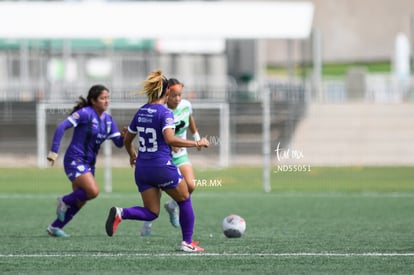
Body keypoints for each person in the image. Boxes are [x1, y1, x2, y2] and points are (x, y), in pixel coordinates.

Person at [105, 69, 209, 252]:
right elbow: (170, 139)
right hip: (161, 166)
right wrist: (196, 142)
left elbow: (127, 139)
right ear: (167, 92)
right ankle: (187, 242)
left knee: (152, 212)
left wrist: (132, 155)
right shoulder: (165, 113)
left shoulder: (141, 111)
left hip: (142, 169)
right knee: (185, 199)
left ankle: (121, 213)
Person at [46, 84, 126, 237]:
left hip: (89, 163)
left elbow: (119, 143)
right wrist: (53, 151)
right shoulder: (84, 114)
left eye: (108, 98)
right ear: (93, 100)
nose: (107, 101)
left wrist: (126, 135)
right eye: (103, 98)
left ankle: (55, 227)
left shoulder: (108, 120)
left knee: (82, 198)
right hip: (75, 159)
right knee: (93, 191)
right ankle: (64, 200)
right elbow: (61, 127)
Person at [140, 78, 202, 236]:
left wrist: (196, 136)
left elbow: (190, 118)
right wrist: (172, 144)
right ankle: (147, 224)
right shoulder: (162, 110)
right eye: (174, 95)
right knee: (157, 191)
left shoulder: (186, 105)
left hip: (180, 154)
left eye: (180, 95)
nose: (177, 99)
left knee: (191, 185)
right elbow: (164, 136)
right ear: (168, 94)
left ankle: (172, 206)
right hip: (162, 156)